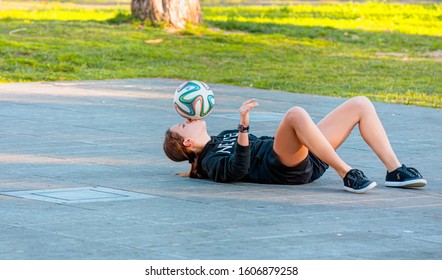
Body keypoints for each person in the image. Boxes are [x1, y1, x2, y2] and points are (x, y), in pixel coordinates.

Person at [163, 96, 426, 193]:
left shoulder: (222, 135)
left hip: (306, 154)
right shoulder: (209, 163)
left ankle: (395, 170)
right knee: (295, 114)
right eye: (183, 124)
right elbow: (237, 170)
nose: (188, 119)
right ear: (187, 141)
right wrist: (243, 124)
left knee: (360, 104)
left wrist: (240, 129)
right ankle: (346, 173)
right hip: (283, 167)